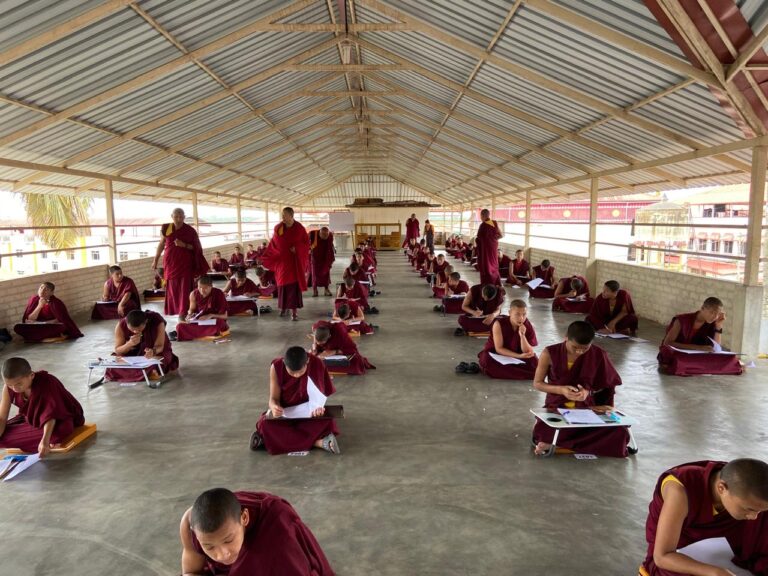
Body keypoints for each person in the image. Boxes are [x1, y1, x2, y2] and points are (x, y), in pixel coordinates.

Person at [640, 459, 768, 576]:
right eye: (749, 509)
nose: (754, 517)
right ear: (721, 488)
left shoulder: (743, 487)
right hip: (678, 544)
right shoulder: (680, 491)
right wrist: (716, 572)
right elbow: (662, 556)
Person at [179, 488, 334, 575]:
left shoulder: (277, 525)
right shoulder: (190, 525)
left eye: (228, 540)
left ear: (244, 518)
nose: (222, 555)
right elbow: (191, 572)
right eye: (209, 547)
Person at [531, 321, 629, 457]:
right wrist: (561, 390)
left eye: (585, 348)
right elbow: (537, 383)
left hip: (586, 409)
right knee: (544, 430)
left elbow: (607, 385)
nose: (579, 352)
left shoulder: (598, 354)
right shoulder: (550, 353)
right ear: (566, 338)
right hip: (557, 408)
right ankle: (572, 445)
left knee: (620, 432)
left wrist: (587, 392)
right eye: (575, 347)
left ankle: (557, 446)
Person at [252, 346, 340, 455]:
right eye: (292, 373)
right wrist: (274, 407)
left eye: (300, 371)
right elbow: (273, 398)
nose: (297, 375)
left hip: (309, 414)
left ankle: (267, 441)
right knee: (265, 424)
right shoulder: (276, 367)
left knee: (329, 422)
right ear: (284, 363)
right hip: (285, 414)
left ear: (307, 362)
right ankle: (319, 443)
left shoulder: (316, 363)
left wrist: (318, 409)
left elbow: (319, 397)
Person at [0, 357, 84, 456]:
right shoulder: (8, 388)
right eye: (10, 385)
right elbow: (2, 418)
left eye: (19, 384)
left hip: (58, 420)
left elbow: (51, 414)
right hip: (30, 419)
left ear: (31, 375)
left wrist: (45, 441)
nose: (14, 389)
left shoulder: (47, 382)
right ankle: (35, 441)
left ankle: (40, 441)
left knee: (62, 429)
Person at [658, 297, 742, 376]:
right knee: (672, 357)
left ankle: (693, 367)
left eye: (718, 314)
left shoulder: (712, 323)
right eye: (712, 312)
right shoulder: (682, 320)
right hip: (679, 353)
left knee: (731, 359)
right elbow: (667, 343)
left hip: (697, 355)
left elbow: (716, 349)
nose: (714, 317)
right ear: (702, 308)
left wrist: (718, 326)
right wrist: (698, 347)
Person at [152, 207, 209, 317]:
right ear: (172, 216)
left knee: (185, 288)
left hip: (185, 264)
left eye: (181, 217)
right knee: (172, 288)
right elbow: (161, 244)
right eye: (176, 217)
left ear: (184, 217)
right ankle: (175, 310)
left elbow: (197, 248)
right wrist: (155, 260)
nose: (178, 219)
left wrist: (184, 245)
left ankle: (184, 311)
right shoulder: (166, 228)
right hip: (170, 263)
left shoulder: (190, 230)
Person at [260, 207, 310, 321]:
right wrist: (268, 256)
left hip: (294, 263)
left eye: (284, 215)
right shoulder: (278, 228)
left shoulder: (299, 228)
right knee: (282, 286)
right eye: (282, 215)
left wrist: (297, 249)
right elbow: (273, 244)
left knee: (293, 288)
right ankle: (283, 308)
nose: (282, 217)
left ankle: (294, 312)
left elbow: (306, 244)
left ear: (291, 216)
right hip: (281, 263)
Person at [106, 309, 178, 383]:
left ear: (146, 322)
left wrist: (152, 351)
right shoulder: (121, 325)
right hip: (134, 354)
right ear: (126, 322)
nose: (135, 332)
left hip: (155, 354)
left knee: (158, 363)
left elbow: (160, 346)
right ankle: (146, 373)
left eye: (139, 329)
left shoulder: (157, 321)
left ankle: (145, 372)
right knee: (112, 367)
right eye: (132, 329)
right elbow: (118, 350)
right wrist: (129, 344)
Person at [476, 299, 538, 379]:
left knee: (536, 364)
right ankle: (521, 373)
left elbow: (528, 352)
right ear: (510, 313)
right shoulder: (499, 324)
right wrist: (519, 356)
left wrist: (522, 336)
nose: (521, 318)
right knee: (487, 361)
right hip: (497, 354)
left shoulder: (527, 325)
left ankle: (510, 372)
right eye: (517, 314)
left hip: (518, 355)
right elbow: (499, 349)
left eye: (524, 314)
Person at [14, 282, 83, 342]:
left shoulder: (56, 302)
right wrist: (39, 306)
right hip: (38, 326)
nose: (42, 290)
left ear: (51, 293)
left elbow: (60, 319)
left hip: (50, 325)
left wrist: (43, 323)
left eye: (46, 289)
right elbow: (29, 319)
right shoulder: (34, 299)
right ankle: (44, 337)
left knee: (62, 327)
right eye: (41, 288)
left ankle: (36, 337)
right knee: (18, 327)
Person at [173, 276, 229, 341]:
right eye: (199, 287)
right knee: (180, 326)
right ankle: (206, 333)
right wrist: (190, 315)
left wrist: (211, 315)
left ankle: (193, 333)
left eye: (205, 288)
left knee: (219, 323)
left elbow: (225, 316)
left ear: (211, 286)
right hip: (199, 321)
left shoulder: (219, 293)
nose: (202, 291)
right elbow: (191, 309)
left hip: (213, 321)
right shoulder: (193, 294)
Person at [475, 208, 503, 286]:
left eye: (481, 216)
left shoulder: (483, 225)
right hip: (493, 249)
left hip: (485, 250)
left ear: (482, 216)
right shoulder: (494, 223)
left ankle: (487, 285)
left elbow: (478, 239)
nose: (481, 218)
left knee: (486, 266)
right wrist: (492, 240)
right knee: (493, 265)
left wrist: (485, 242)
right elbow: (501, 235)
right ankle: (496, 283)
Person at [309, 227, 335, 297]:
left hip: (325, 257)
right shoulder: (312, 234)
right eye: (323, 235)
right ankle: (315, 290)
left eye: (326, 235)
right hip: (315, 258)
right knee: (314, 274)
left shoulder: (330, 236)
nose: (325, 237)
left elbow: (330, 247)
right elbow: (306, 243)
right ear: (319, 233)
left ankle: (326, 289)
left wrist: (330, 259)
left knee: (326, 273)